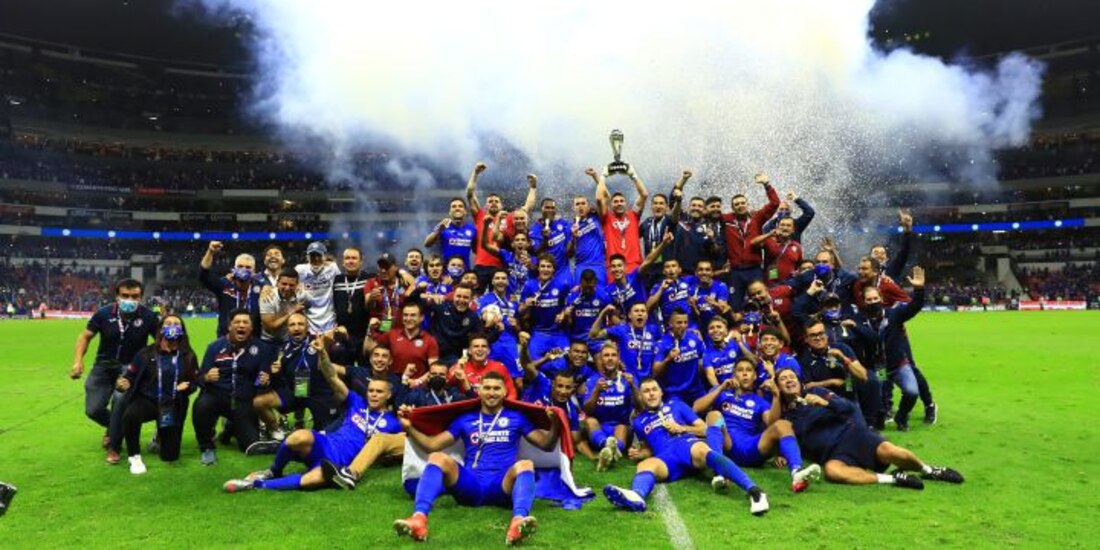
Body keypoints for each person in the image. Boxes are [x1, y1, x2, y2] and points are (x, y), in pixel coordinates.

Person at [393, 371, 562, 545]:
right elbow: (431, 445)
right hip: (471, 485)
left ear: (505, 392)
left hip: (501, 485)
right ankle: (418, 520)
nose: (491, 392)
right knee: (437, 457)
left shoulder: (517, 418)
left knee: (526, 464)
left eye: (497, 388)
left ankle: (518, 521)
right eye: (487, 388)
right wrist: (410, 428)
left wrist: (555, 424)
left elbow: (546, 445)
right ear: (479, 391)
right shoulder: (464, 419)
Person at [223, 338, 402, 493]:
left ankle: (258, 485)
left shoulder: (393, 423)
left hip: (340, 465)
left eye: (379, 392)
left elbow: (395, 450)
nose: (373, 394)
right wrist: (323, 355)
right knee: (298, 436)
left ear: (389, 395)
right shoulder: (357, 402)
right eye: (371, 391)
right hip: (327, 444)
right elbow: (332, 377)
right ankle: (273, 470)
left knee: (312, 479)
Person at [602, 378, 769, 515]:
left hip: (686, 446)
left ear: (661, 392)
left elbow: (704, 429)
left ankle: (755, 492)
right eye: (646, 391)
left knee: (702, 449)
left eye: (654, 389)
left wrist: (680, 428)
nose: (651, 394)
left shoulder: (677, 405)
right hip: (665, 458)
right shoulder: (639, 421)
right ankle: (637, 496)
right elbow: (649, 448)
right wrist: (640, 453)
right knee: (644, 465)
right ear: (641, 397)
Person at [775, 368, 963, 489]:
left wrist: (825, 403)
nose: (789, 380)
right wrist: (782, 453)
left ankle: (930, 470)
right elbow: (784, 439)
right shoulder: (785, 418)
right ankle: (894, 479)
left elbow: (849, 408)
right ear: (778, 388)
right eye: (783, 379)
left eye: (792, 377)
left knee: (890, 451)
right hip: (833, 455)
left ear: (800, 382)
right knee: (832, 472)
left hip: (853, 435)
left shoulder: (817, 393)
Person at [694, 359, 821, 492]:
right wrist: (720, 388)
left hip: (752, 448)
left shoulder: (759, 402)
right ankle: (719, 472)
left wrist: (776, 395)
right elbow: (697, 408)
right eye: (740, 370)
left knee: (783, 424)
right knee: (714, 415)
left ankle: (796, 472)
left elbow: (772, 424)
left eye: (748, 370)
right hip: (728, 444)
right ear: (733, 374)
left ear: (754, 376)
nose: (744, 374)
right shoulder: (722, 393)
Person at [70, 278, 158, 464]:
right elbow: (85, 337)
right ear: (117, 296)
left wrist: (148, 365)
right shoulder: (103, 314)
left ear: (141, 297)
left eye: (135, 296)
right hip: (103, 365)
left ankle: (114, 447)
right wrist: (78, 362)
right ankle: (115, 428)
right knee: (93, 410)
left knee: (120, 400)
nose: (130, 300)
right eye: (125, 296)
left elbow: (161, 342)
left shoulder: (149, 317)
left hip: (129, 368)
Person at [115, 315, 199, 474]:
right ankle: (134, 456)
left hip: (172, 404)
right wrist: (122, 383)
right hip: (148, 400)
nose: (172, 326)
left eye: (176, 324)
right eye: (168, 324)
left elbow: (195, 381)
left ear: (182, 330)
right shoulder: (146, 353)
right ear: (161, 329)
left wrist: (186, 388)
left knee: (170, 456)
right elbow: (129, 377)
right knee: (131, 415)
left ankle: (159, 436)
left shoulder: (188, 355)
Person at [192, 309, 278, 464]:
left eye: (246, 322)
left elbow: (263, 380)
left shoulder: (262, 349)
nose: (241, 325)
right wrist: (206, 377)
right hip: (216, 396)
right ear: (229, 326)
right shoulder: (214, 347)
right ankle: (206, 447)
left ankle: (231, 428)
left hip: (243, 400)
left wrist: (266, 380)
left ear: (251, 328)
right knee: (201, 405)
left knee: (251, 446)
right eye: (237, 322)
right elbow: (198, 378)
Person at [855, 267, 930, 432]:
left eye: (875, 298)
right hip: (879, 368)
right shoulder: (859, 320)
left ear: (881, 298)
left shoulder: (894, 314)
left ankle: (901, 417)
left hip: (898, 364)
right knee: (879, 396)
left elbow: (915, 306)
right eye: (869, 299)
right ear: (864, 301)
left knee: (911, 392)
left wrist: (919, 289)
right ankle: (878, 418)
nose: (873, 301)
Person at [467, 162, 538, 290]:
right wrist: (476, 173)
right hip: (481, 265)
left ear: (501, 205)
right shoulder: (480, 215)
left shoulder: (509, 217)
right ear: (486, 205)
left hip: (501, 267)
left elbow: (528, 207)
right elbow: (470, 194)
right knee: (476, 297)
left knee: (500, 300)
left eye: (496, 201)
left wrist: (533, 187)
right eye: (490, 201)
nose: (493, 203)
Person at [720, 172, 780, 309]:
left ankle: (764, 328)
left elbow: (775, 203)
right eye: (736, 204)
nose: (740, 205)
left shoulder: (756, 218)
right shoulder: (726, 219)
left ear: (747, 204)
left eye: (742, 203)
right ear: (732, 207)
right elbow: (708, 213)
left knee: (761, 303)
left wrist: (767, 184)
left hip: (754, 270)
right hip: (736, 271)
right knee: (735, 305)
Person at [581, 345, 636, 471]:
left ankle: (608, 452)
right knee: (589, 421)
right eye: (606, 355)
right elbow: (587, 411)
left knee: (621, 427)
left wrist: (633, 386)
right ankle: (610, 449)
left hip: (620, 428)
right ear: (600, 359)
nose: (610, 359)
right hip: (599, 428)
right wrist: (596, 391)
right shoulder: (592, 380)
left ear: (618, 359)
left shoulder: (627, 379)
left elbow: (640, 406)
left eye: (613, 355)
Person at [592, 165, 649, 274]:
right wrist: (603, 176)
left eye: (621, 201)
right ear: (611, 205)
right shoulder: (606, 218)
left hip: (634, 265)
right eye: (616, 201)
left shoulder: (633, 215)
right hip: (614, 268)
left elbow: (644, 194)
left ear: (626, 203)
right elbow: (599, 198)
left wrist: (633, 175)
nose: (619, 203)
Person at [199, 241, 261, 337]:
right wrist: (210, 252)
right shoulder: (225, 285)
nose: (243, 270)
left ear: (254, 272)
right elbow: (204, 276)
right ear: (234, 269)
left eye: (248, 267)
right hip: (226, 340)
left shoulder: (262, 289)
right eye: (240, 266)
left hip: (252, 342)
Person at [365, 301, 440, 380]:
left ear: (421, 318)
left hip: (417, 388)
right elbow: (368, 350)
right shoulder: (392, 334)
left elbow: (434, 370)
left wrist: (418, 382)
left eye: (413, 315)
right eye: (405, 315)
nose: (408, 318)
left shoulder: (430, 340)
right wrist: (370, 329)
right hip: (393, 384)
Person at [519, 254, 571, 361]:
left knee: (566, 361)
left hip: (558, 332)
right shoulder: (529, 285)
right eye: (543, 266)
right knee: (532, 361)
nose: (545, 269)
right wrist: (525, 304)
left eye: (549, 266)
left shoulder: (562, 285)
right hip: (539, 332)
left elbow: (569, 305)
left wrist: (563, 313)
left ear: (553, 270)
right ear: (538, 268)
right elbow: (519, 310)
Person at [590, 302, 659, 381]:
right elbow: (593, 335)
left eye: (643, 311)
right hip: (626, 379)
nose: (640, 314)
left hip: (647, 380)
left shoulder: (653, 330)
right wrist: (603, 313)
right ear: (630, 315)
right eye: (636, 311)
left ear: (647, 315)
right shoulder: (621, 330)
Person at [653, 308, 707, 404]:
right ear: (670, 324)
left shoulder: (694, 338)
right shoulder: (662, 344)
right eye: (679, 323)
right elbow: (655, 371)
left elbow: (702, 361)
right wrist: (668, 358)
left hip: (696, 390)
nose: (683, 326)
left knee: (712, 409)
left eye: (685, 322)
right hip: (674, 393)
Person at [419, 284, 483, 365]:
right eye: (458, 296)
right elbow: (415, 300)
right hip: (431, 351)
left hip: (452, 356)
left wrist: (496, 330)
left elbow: (480, 337)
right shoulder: (441, 306)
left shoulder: (473, 317)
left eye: (465, 297)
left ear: (471, 299)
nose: (461, 300)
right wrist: (423, 293)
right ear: (453, 296)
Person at [477, 269, 522, 378]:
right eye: (497, 278)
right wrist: (489, 324)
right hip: (492, 341)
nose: (500, 281)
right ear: (492, 281)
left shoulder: (513, 302)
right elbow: (477, 323)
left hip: (510, 342)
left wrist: (516, 325)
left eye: (503, 278)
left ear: (507, 281)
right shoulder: (483, 300)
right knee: (489, 376)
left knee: (517, 378)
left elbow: (518, 328)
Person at [448, 334, 517, 399]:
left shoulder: (499, 367)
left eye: (483, 346)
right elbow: (447, 385)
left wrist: (505, 410)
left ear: (488, 351)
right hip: (468, 409)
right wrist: (457, 367)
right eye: (476, 346)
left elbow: (512, 392)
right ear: (469, 351)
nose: (480, 349)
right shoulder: (461, 367)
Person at [295, 241, 341, 334]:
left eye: (319, 255)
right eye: (312, 255)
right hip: (308, 323)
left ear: (324, 256)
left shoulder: (333, 268)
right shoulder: (299, 270)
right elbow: (281, 282)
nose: (316, 258)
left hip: (330, 321)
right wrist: (267, 287)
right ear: (307, 257)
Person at [562, 269, 612, 352]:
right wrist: (567, 316)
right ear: (580, 282)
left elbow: (611, 318)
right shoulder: (572, 297)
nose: (588, 289)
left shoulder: (603, 296)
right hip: (578, 338)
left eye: (590, 287)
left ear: (595, 282)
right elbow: (569, 323)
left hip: (597, 338)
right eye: (585, 287)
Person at [333, 246, 371, 353]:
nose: (350, 261)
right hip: (342, 333)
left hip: (364, 335)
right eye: (347, 258)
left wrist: (401, 272)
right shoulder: (336, 280)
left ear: (361, 262)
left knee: (364, 368)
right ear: (343, 262)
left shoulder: (369, 278)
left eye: (354, 258)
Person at [701, 316, 756, 387]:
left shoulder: (736, 343)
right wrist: (722, 394)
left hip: (744, 388)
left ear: (726, 331)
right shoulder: (707, 353)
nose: (715, 330)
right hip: (725, 391)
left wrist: (740, 343)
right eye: (712, 328)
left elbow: (754, 362)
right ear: (708, 333)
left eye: (719, 327)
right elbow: (712, 378)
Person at [424, 197, 477, 270]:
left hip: (465, 272)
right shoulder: (443, 225)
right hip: (446, 273)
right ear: (449, 212)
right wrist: (439, 230)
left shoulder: (472, 229)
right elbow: (427, 243)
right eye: (454, 206)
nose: (457, 208)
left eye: (460, 206)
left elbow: (476, 250)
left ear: (465, 211)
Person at [258, 268, 308, 344]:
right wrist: (292, 311)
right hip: (269, 340)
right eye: (284, 284)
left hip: (291, 340)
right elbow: (270, 326)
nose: (287, 288)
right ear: (277, 283)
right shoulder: (268, 297)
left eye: (291, 285)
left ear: (297, 285)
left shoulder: (302, 295)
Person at [529, 198, 573, 283]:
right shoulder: (534, 230)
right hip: (546, 273)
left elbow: (570, 254)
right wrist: (545, 239)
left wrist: (574, 239)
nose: (550, 210)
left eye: (552, 208)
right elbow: (536, 253)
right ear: (541, 209)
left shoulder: (563, 224)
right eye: (547, 207)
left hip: (563, 273)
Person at [568, 190, 607, 284]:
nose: (580, 206)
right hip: (581, 265)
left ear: (588, 206)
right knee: (579, 295)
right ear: (573, 208)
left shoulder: (596, 217)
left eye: (583, 203)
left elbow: (604, 200)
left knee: (600, 293)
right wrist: (573, 238)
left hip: (598, 264)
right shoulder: (569, 227)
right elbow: (569, 254)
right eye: (577, 204)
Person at [752, 217, 803, 286]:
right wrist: (769, 234)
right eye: (782, 225)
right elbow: (753, 243)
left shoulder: (797, 246)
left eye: (788, 225)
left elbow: (799, 266)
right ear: (777, 227)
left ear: (793, 230)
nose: (785, 228)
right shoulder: (769, 241)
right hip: (770, 284)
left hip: (788, 286)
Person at [404, 360, 473, 407]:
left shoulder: (453, 394)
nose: (437, 377)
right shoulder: (419, 394)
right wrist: (405, 376)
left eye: (441, 374)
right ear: (428, 377)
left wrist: (464, 380)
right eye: (434, 374)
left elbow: (472, 404)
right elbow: (401, 404)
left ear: (446, 378)